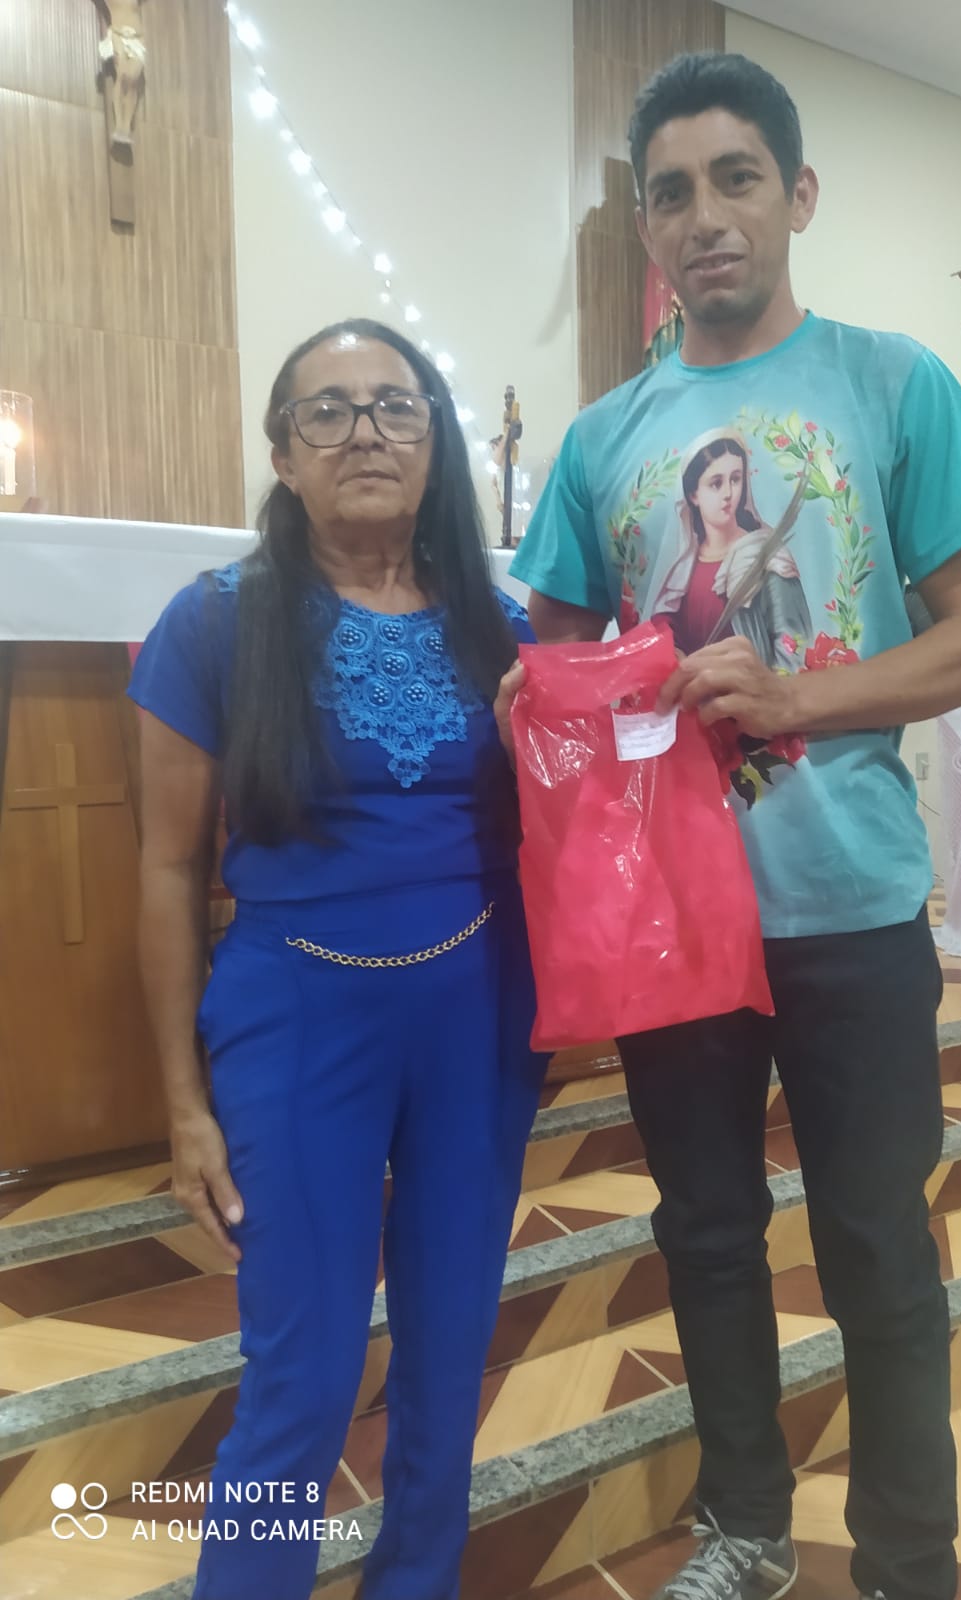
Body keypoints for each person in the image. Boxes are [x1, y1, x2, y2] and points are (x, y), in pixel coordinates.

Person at [503, 51, 961, 1600]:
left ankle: (908, 1562)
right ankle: (747, 1528)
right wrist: (555, 701)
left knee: (877, 1246)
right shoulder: (604, 438)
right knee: (709, 1233)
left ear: (797, 196)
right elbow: (557, 669)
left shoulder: (894, 384)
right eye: (673, 192)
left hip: (850, 903)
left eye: (737, 178)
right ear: (648, 229)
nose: (706, 216)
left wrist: (796, 697)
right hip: (672, 920)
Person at [130, 318, 545, 1600]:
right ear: (282, 453)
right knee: (301, 1376)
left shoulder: (506, 628)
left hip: (481, 1016)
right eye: (329, 410)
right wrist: (183, 1105)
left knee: (449, 1351)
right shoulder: (215, 624)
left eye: (395, 406)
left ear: (435, 442)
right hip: (296, 1017)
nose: (366, 431)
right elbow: (165, 870)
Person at [647, 429, 812, 666]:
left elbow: (794, 648)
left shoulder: (768, 558)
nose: (728, 493)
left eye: (735, 479)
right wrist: (672, 653)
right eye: (716, 483)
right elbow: (663, 631)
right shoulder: (683, 570)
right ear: (693, 494)